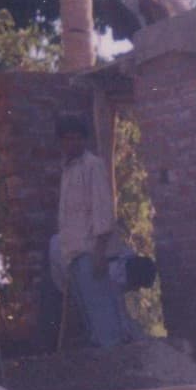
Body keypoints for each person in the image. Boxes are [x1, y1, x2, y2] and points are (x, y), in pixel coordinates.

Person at [55, 114, 138, 348]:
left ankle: (119, 355)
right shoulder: (67, 170)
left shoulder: (93, 165)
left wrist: (99, 253)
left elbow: (102, 210)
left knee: (104, 315)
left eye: (77, 138)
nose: (73, 143)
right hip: (75, 254)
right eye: (68, 139)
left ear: (84, 140)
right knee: (93, 315)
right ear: (61, 142)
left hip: (93, 253)